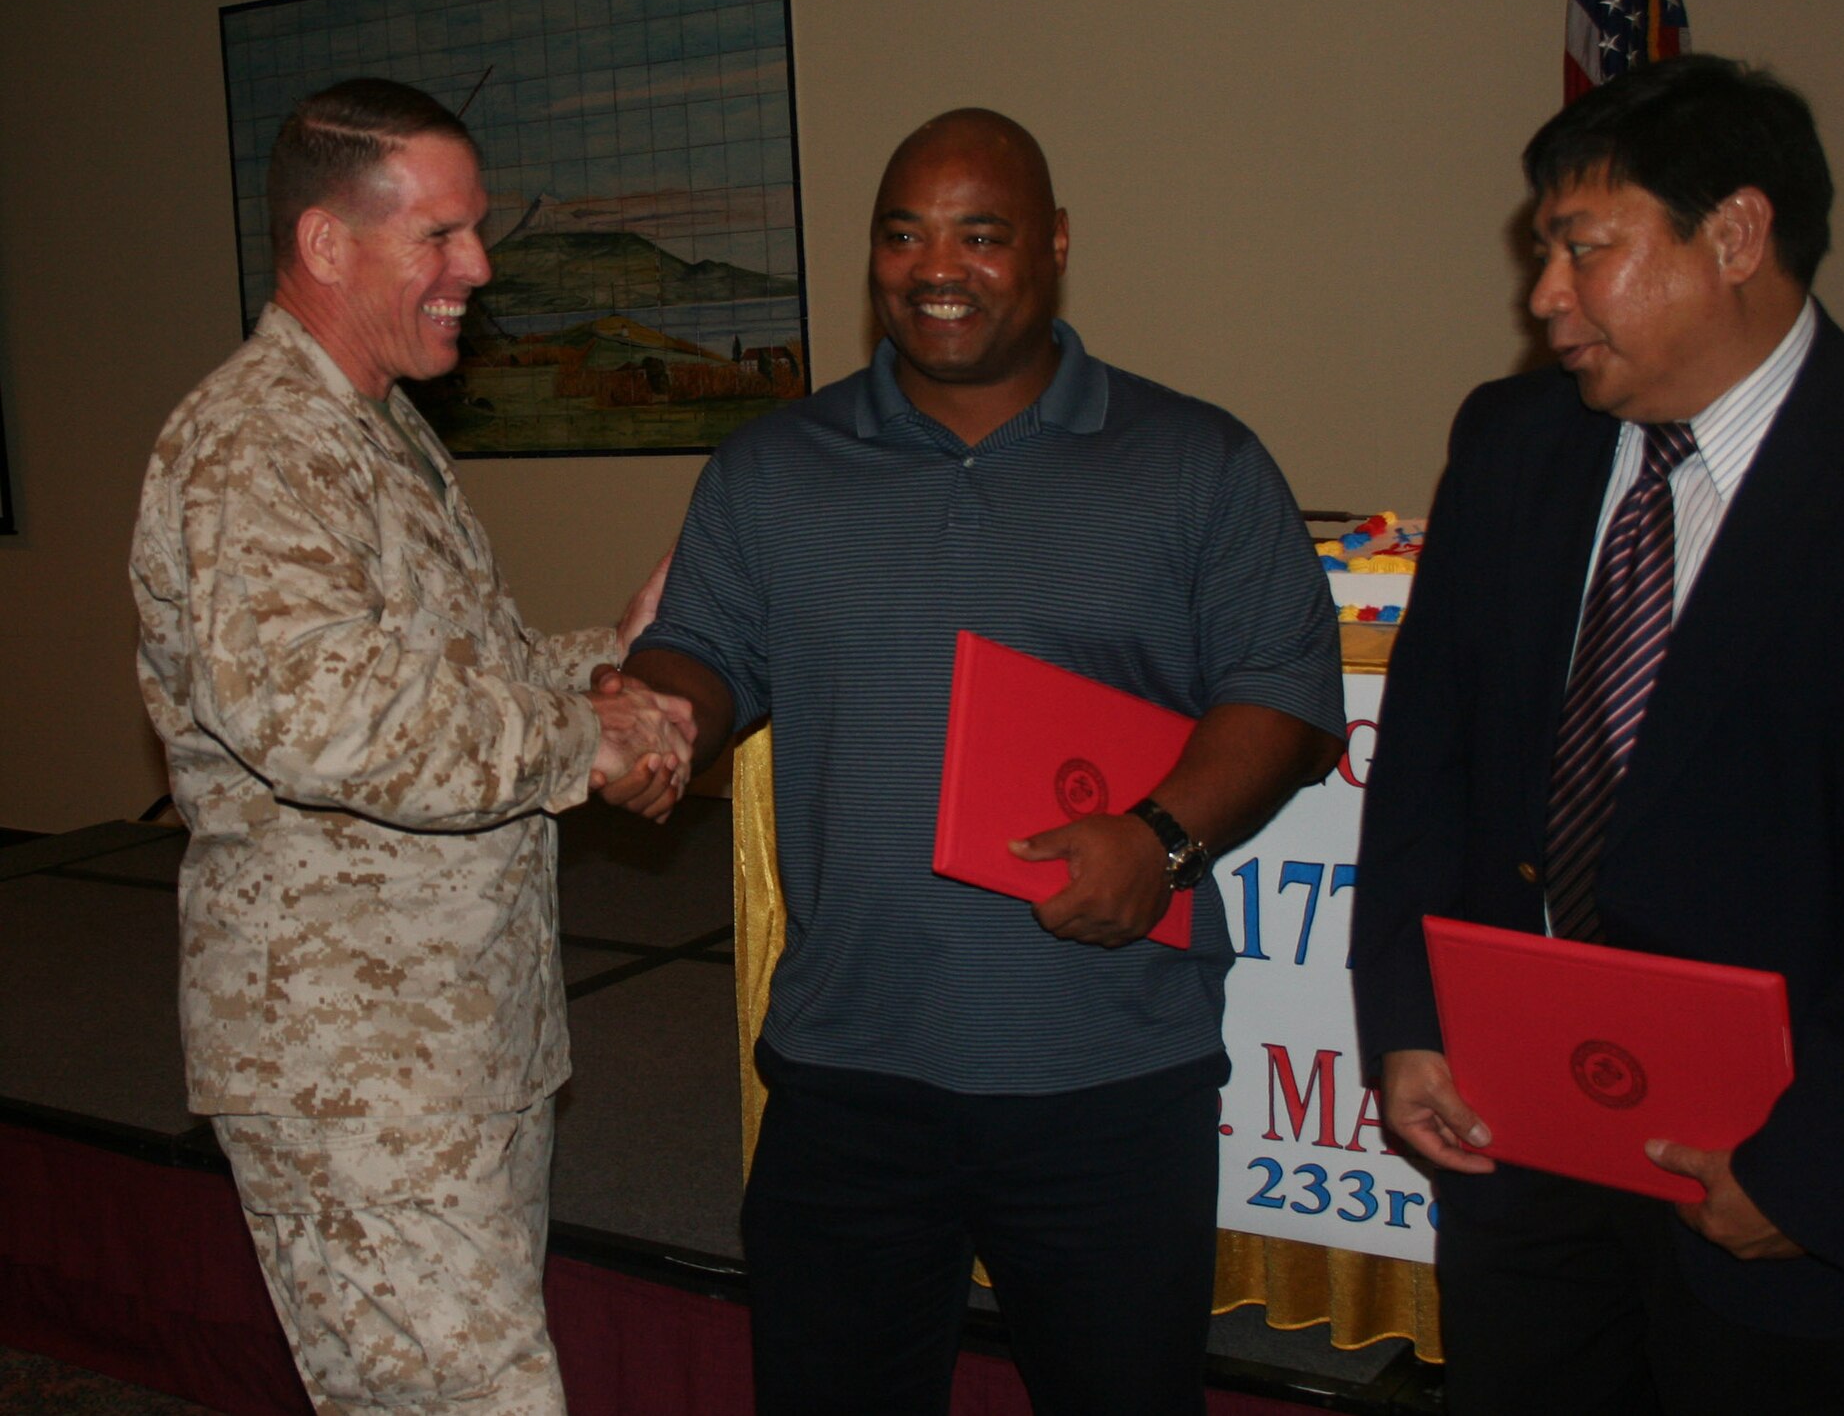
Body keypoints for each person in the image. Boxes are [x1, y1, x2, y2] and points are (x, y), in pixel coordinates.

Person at [609, 107, 1345, 1415]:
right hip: (850, 1069)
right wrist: (655, 714)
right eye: (902, 233)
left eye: (979, 234)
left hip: (1110, 1075)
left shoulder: (1197, 461)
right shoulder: (773, 469)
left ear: (1053, 248)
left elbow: (1282, 694)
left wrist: (1163, 840)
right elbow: (703, 651)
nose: (932, 265)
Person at [1350, 54, 1844, 1416]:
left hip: (1799, 1213)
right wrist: (1411, 1018)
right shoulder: (1513, 440)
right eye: (1544, 255)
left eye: (1585, 250)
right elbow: (1429, 759)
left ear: (1738, 236)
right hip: (1521, 1170)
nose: (1545, 299)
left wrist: (1816, 1171)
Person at [129, 78, 691, 1415]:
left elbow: (447, 667)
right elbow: (332, 718)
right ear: (329, 244)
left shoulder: (368, 430)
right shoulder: (255, 442)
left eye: (474, 230)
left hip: (451, 1044)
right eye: (440, 235)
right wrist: (587, 733)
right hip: (354, 1069)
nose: (478, 266)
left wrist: (613, 661)